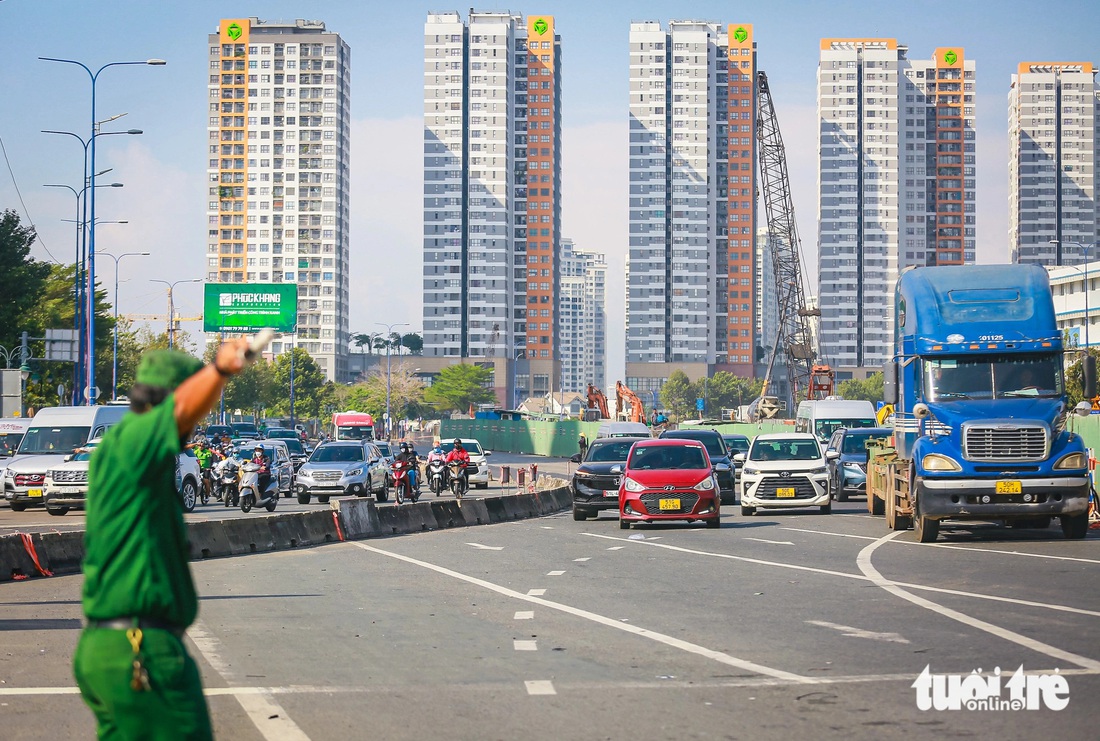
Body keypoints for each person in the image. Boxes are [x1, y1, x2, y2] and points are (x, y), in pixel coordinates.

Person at [74, 339, 250, 740]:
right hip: (141, 650)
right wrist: (220, 371)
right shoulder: (135, 439)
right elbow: (180, 410)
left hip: (114, 648)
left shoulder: (136, 454)